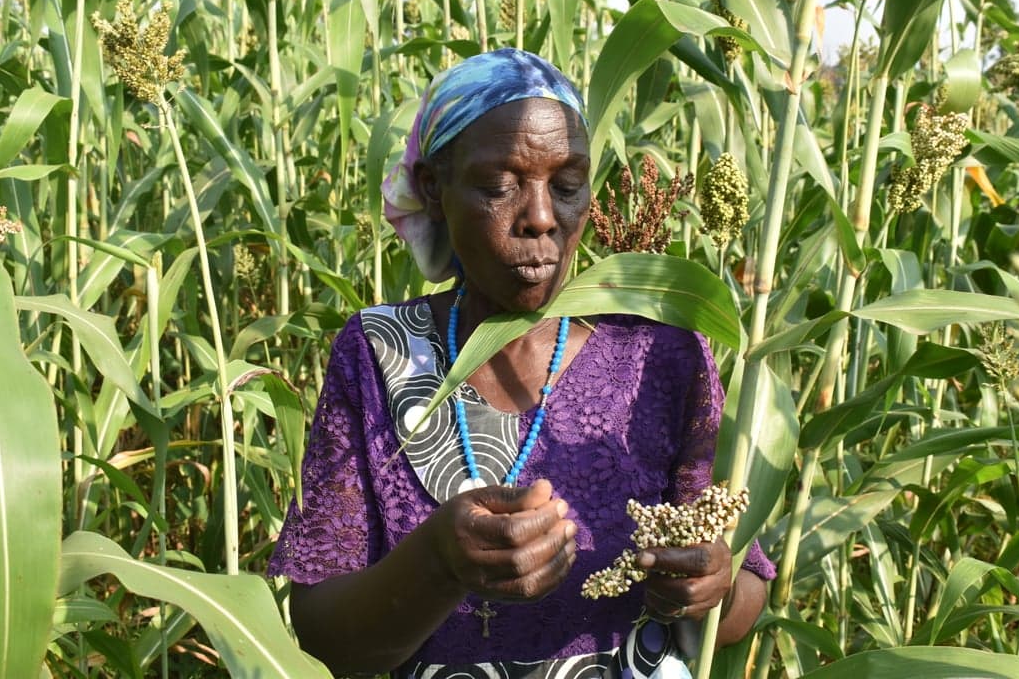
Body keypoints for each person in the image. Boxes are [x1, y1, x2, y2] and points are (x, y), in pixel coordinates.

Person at [268, 48, 775, 678]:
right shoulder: (378, 354)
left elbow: (745, 590)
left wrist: (708, 590)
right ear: (433, 187)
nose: (541, 219)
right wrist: (438, 562)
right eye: (499, 186)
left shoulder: (661, 354)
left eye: (567, 186)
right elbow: (324, 636)